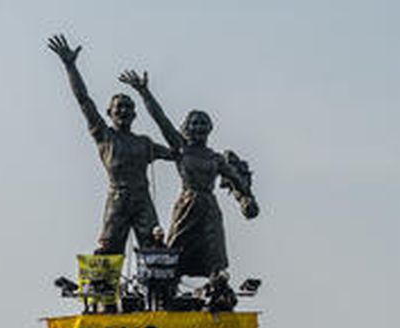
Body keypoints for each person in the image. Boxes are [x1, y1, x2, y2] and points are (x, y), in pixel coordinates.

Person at [118, 70, 259, 278]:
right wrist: (144, 92)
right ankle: (167, 288)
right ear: (186, 128)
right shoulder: (181, 148)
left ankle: (216, 286)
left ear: (209, 128)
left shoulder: (215, 158)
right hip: (187, 204)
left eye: (203, 123)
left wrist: (246, 198)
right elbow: (161, 119)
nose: (199, 127)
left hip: (209, 208)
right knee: (174, 251)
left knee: (214, 254)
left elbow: (236, 181)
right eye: (195, 123)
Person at [48, 35, 173, 255]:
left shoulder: (144, 143)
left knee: (155, 251)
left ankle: (159, 289)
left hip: (143, 200)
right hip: (118, 199)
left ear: (135, 114)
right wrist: (70, 66)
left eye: (128, 108)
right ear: (109, 113)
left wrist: (145, 93)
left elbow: (178, 153)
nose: (123, 111)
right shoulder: (105, 136)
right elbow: (84, 100)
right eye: (119, 108)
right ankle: (103, 287)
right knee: (108, 253)